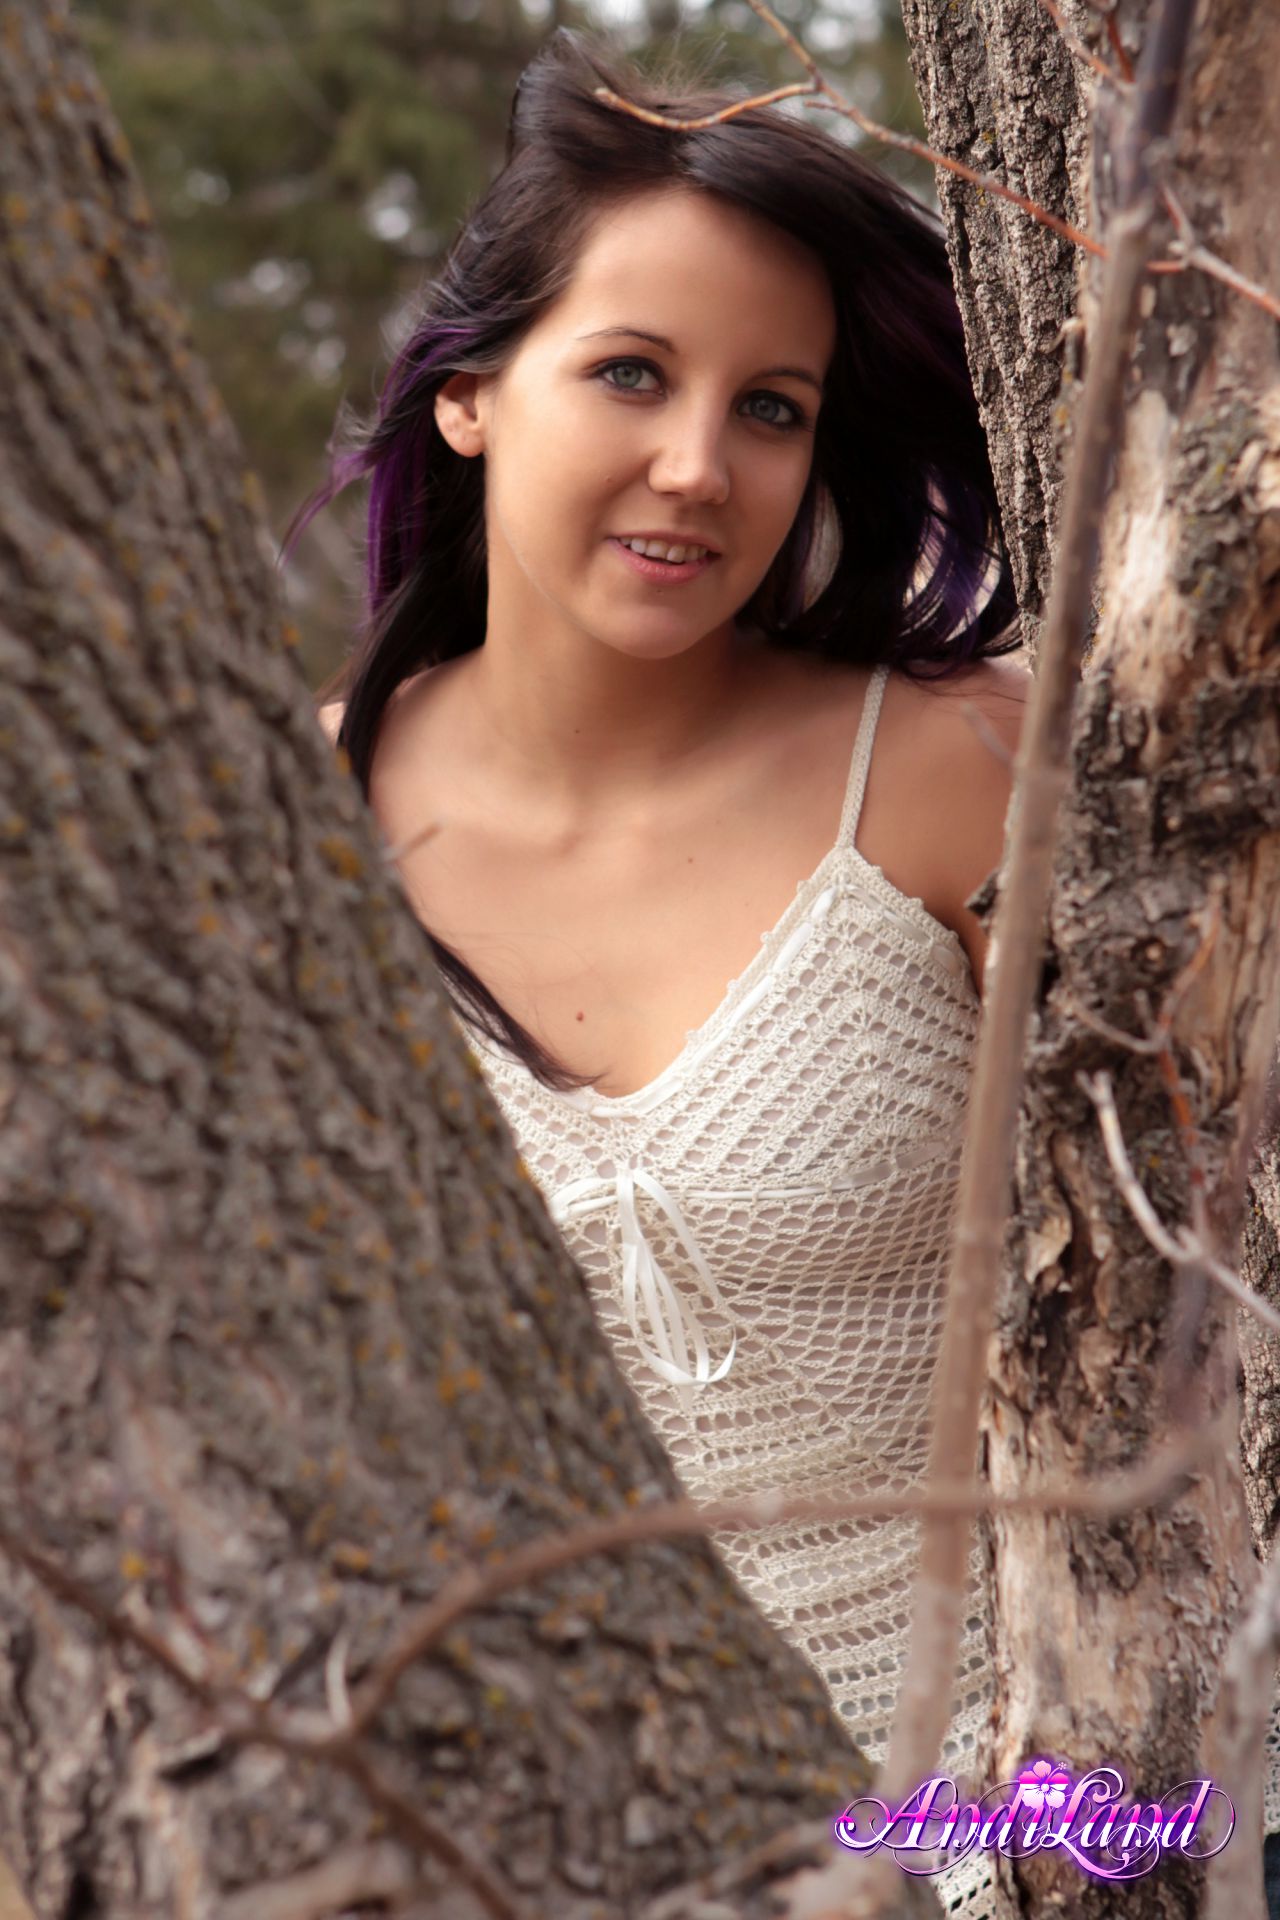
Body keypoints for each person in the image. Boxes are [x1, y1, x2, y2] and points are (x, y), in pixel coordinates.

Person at [296, 27, 1279, 1914]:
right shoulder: (294, 831)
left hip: (1049, 1826)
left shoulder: (952, 761)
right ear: (470, 396)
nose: (697, 467)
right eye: (630, 373)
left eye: (771, 407)